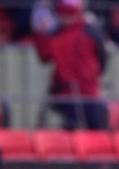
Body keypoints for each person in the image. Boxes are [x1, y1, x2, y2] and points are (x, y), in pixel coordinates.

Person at [33, 0, 108, 131]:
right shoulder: (57, 35)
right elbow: (44, 56)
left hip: (87, 92)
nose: (65, 19)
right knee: (78, 130)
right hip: (67, 94)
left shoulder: (90, 32)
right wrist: (42, 33)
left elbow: (102, 58)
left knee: (97, 130)